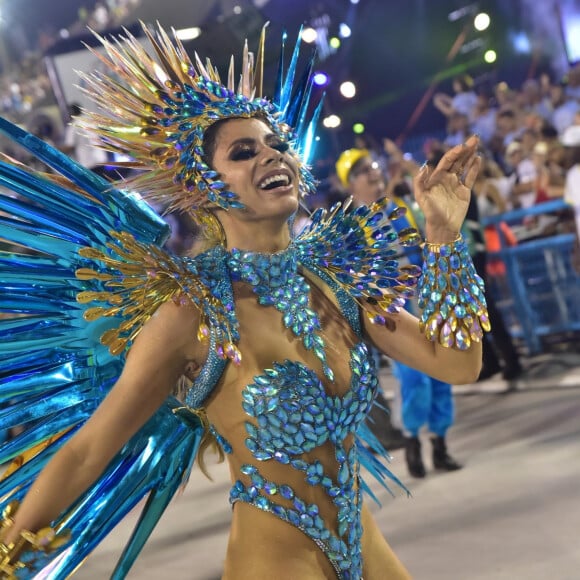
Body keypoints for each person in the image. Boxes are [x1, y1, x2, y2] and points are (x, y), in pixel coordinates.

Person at [0, 24, 486, 579]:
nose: (271, 155)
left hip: (363, 548)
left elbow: (459, 363)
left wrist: (444, 238)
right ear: (204, 182)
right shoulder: (192, 310)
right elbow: (89, 449)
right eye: (243, 151)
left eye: (277, 144)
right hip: (273, 562)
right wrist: (9, 549)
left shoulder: (337, 277)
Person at [335, 147, 466, 479]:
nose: (373, 172)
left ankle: (439, 443)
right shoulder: (348, 226)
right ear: (350, 183)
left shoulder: (401, 208)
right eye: (363, 170)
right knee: (414, 378)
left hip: (426, 300)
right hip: (393, 313)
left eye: (373, 166)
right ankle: (411, 441)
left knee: (442, 374)